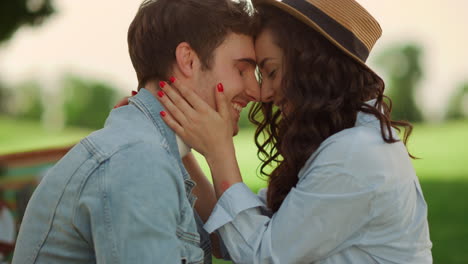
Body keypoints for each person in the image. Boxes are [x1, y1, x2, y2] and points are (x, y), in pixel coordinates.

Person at [156, 0, 433, 263]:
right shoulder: (344, 143)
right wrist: (181, 151)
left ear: (313, 67)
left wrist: (219, 153)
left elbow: (260, 254)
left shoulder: (356, 154)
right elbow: (230, 237)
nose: (264, 93)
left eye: (272, 72)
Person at [12, 0, 260, 263]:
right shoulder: (140, 161)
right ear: (188, 60)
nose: (256, 91)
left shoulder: (147, 149)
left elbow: (229, 243)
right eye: (242, 69)